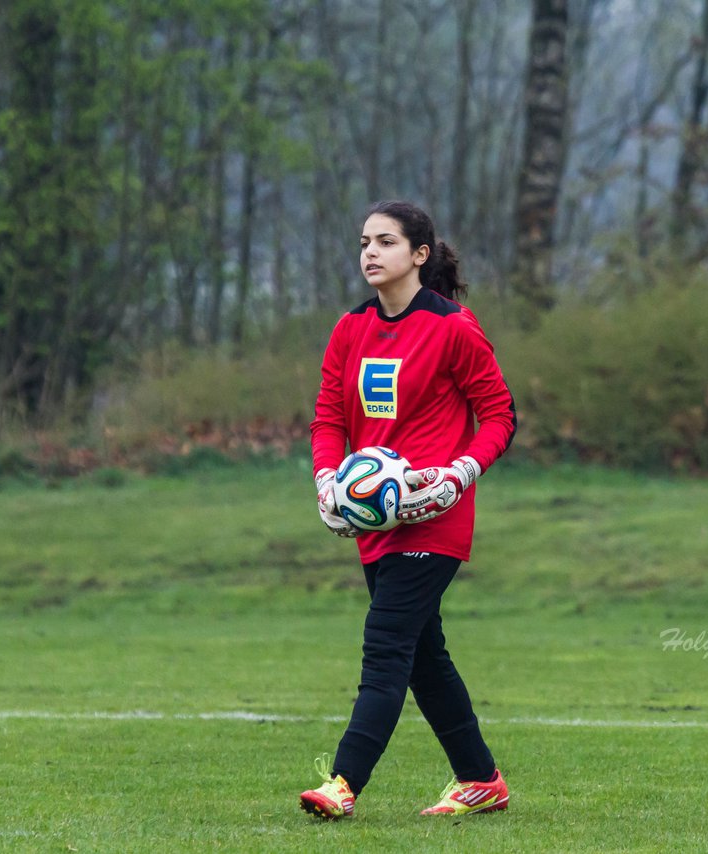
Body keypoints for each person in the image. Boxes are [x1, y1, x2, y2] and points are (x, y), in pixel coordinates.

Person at [299, 200, 518, 820]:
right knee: (424, 654)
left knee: (386, 643)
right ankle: (479, 779)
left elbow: (501, 415)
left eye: (386, 242)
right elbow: (326, 420)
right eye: (364, 241)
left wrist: (460, 473)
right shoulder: (351, 329)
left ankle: (343, 783)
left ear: (419, 255)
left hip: (436, 518)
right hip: (377, 525)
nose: (370, 252)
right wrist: (326, 482)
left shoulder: (454, 327)